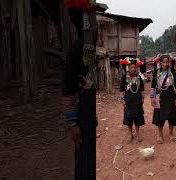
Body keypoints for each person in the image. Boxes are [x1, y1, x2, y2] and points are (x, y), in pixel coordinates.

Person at [62, 7, 97, 180]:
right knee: (84, 161)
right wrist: (73, 124)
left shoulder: (92, 48)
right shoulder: (77, 50)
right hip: (83, 117)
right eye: (94, 18)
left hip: (91, 116)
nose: (97, 24)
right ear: (86, 22)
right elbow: (68, 90)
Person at [150, 54, 176, 144]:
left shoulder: (172, 72)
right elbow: (153, 86)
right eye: (163, 62)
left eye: (167, 62)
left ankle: (171, 133)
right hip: (160, 96)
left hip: (171, 96)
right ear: (160, 63)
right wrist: (152, 98)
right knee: (159, 117)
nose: (165, 64)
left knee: (172, 116)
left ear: (169, 63)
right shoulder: (156, 72)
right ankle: (160, 135)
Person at [120, 58, 145, 143]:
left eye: (134, 67)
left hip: (137, 100)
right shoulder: (125, 77)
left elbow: (141, 89)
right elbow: (121, 90)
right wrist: (122, 100)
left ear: (136, 68)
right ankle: (130, 134)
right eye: (131, 68)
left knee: (137, 118)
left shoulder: (139, 77)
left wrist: (142, 98)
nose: (133, 69)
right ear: (128, 68)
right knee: (129, 118)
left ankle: (138, 134)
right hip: (128, 101)